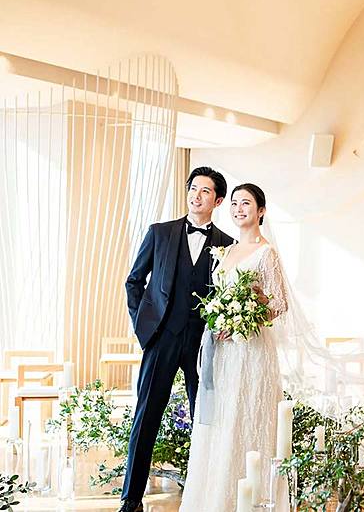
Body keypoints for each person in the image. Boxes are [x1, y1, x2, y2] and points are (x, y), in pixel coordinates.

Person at [119, 167, 234, 512]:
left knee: (205, 419)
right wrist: (145, 329)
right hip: (162, 339)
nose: (196, 196)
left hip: (204, 344)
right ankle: (131, 499)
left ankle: (206, 496)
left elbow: (229, 295)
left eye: (205, 191)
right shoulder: (160, 233)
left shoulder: (228, 246)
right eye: (193, 189)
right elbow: (134, 281)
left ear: (217, 201)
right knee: (146, 417)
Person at [179, 183, 289, 511]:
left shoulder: (266, 252)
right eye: (235, 203)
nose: (239, 209)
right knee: (223, 419)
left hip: (250, 350)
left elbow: (279, 303)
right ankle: (216, 497)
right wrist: (220, 318)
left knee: (246, 415)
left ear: (261, 211)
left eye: (247, 204)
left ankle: (251, 498)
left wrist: (242, 323)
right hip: (223, 351)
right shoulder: (226, 251)